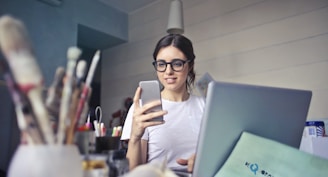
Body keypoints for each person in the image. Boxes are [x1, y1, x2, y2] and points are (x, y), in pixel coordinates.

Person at [121, 34, 205, 173]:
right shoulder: (143, 108)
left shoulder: (205, 106)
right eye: (161, 64)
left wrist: (204, 161)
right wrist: (135, 137)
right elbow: (134, 172)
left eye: (177, 63)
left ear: (190, 65)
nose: (168, 71)